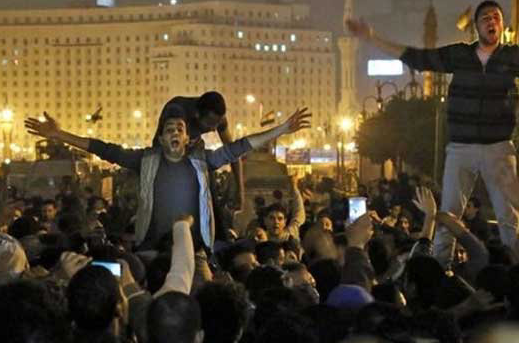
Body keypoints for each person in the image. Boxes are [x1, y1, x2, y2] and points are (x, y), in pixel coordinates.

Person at [347, 0, 519, 267]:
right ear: (476, 27)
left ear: (502, 25)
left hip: (499, 148)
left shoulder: (513, 57)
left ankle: (518, 268)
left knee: (508, 216)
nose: (491, 21)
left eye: (496, 17)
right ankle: (439, 268)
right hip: (460, 148)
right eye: (485, 18)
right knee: (449, 214)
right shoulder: (460, 55)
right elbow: (419, 58)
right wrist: (372, 37)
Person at [25, 104, 311, 250]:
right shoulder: (146, 160)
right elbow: (101, 148)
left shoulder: (203, 162)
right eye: (169, 130)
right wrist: (59, 135)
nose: (175, 133)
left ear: (188, 138)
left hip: (196, 249)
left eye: (180, 129)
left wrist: (282, 129)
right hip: (152, 248)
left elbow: (241, 146)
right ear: (161, 139)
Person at [153, 92, 245, 210]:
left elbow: (233, 152)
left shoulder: (217, 118)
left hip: (194, 147)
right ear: (196, 114)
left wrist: (240, 190)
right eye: (210, 124)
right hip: (166, 150)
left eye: (217, 125)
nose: (213, 129)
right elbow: (161, 148)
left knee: (209, 190)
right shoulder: (177, 112)